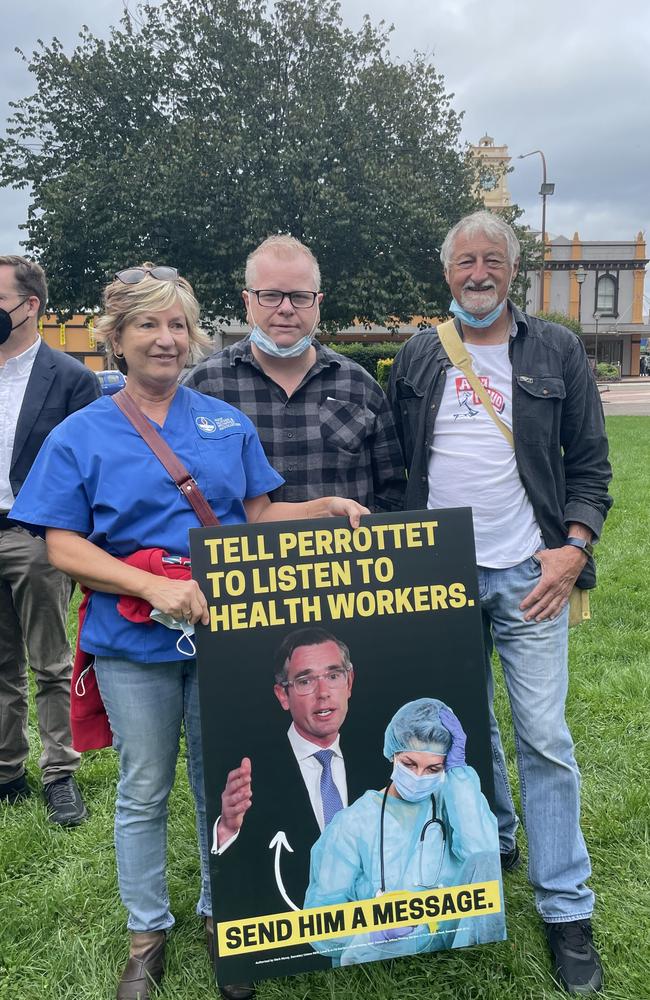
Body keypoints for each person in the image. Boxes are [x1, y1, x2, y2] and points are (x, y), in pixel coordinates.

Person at [9, 264, 367, 1000]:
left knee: (225, 781)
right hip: (131, 641)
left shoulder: (223, 423)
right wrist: (151, 586)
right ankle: (147, 935)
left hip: (225, 640)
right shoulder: (82, 433)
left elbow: (258, 514)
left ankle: (224, 914)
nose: (166, 339)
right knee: (144, 787)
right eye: (148, 325)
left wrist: (322, 504)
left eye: (178, 325)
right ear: (116, 337)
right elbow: (61, 544)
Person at [388, 211, 612, 995]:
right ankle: (502, 841)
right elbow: (396, 470)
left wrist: (572, 548)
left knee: (543, 735)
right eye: (464, 262)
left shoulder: (555, 350)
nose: (477, 273)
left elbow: (590, 461)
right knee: (466, 729)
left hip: (529, 574)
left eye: (492, 260)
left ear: (511, 270)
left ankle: (565, 909)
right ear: (445, 272)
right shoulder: (416, 355)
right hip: (439, 576)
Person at [183, 235, 405, 512]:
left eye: (300, 297)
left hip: (343, 555)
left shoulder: (360, 387)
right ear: (247, 302)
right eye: (271, 296)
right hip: (244, 556)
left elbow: (393, 492)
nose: (286, 309)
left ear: (318, 304)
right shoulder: (203, 388)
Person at [210, 628, 380, 984]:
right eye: (304, 681)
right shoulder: (247, 770)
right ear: (282, 695)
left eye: (333, 675)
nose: (323, 693)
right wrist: (227, 827)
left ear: (350, 682)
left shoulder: (386, 758)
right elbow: (240, 872)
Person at [0, 254, 99, 823]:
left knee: (50, 661)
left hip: (36, 537)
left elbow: (87, 469)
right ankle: (9, 768)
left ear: (29, 305)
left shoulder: (71, 380)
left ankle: (60, 772)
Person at [304, 698, 503, 966]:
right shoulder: (353, 823)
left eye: (433, 768)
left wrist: (459, 776)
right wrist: (378, 927)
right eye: (409, 764)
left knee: (486, 860)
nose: (420, 776)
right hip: (384, 951)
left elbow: (484, 859)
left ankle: (480, 967)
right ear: (393, 755)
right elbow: (320, 923)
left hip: (454, 941)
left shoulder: (453, 801)